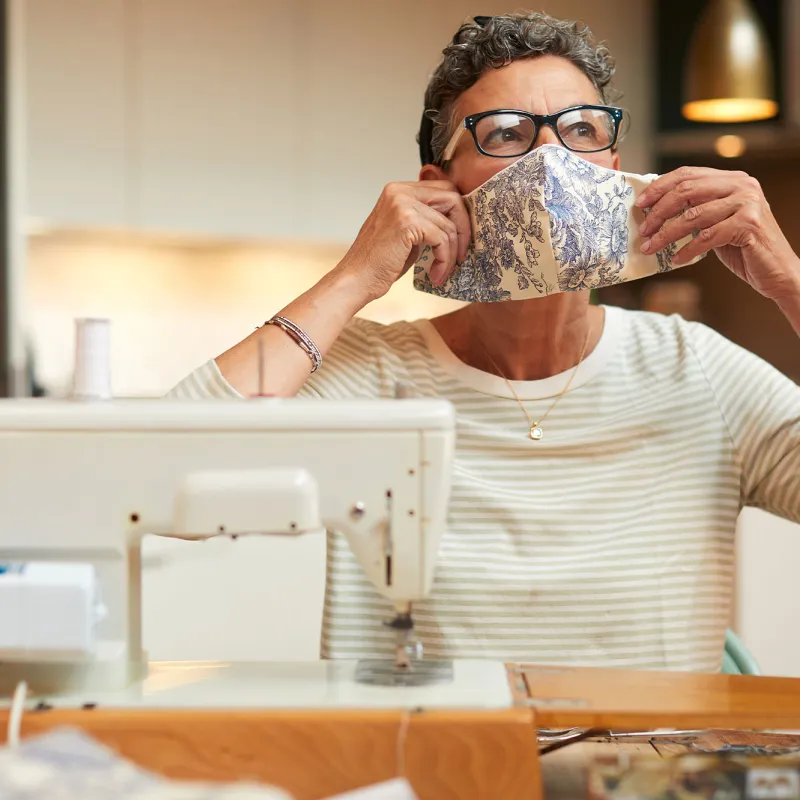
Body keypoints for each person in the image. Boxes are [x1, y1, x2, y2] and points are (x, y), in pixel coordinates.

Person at [170, 12, 800, 671]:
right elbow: (162, 480)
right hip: (431, 763)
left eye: (581, 129)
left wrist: (787, 278)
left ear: (614, 169)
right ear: (439, 187)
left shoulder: (695, 370)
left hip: (642, 770)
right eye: (506, 134)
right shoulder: (373, 380)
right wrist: (356, 276)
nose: (553, 161)